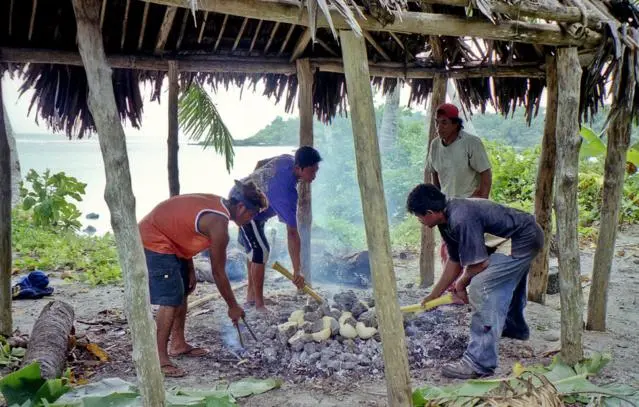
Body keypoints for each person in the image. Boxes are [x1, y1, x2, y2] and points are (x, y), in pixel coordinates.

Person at [406, 184, 543, 379]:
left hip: (523, 239)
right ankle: (514, 327)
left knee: (482, 287)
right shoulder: (446, 220)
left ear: (429, 212)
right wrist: (435, 294)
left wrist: (461, 285)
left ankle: (479, 363)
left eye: (419, 216)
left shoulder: (461, 217)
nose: (419, 221)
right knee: (503, 279)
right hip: (514, 238)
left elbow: (478, 265)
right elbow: (454, 261)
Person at [139, 181, 268, 377]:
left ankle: (178, 344)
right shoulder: (218, 223)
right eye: (251, 214)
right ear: (241, 207)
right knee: (170, 298)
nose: (251, 219)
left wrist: (189, 266)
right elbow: (218, 272)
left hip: (170, 240)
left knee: (182, 290)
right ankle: (159, 359)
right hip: (153, 239)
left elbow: (182, 227)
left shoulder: (218, 206)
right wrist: (232, 306)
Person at [232, 146, 322, 312]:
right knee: (261, 251)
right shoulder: (287, 193)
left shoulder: (286, 159)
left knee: (255, 250)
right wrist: (297, 271)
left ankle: (252, 296)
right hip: (243, 208)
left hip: (250, 204)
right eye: (311, 171)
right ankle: (259, 305)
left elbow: (260, 163)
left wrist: (256, 185)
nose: (314, 176)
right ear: (298, 168)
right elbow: (292, 234)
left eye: (316, 170)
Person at [426, 103, 493, 268]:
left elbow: (486, 173)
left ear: (456, 124)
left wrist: (481, 200)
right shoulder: (435, 145)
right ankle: (454, 287)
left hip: (469, 203)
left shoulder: (471, 143)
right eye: (437, 122)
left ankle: (465, 285)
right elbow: (433, 171)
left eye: (444, 122)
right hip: (447, 205)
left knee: (469, 249)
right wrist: (437, 200)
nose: (439, 127)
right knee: (449, 249)